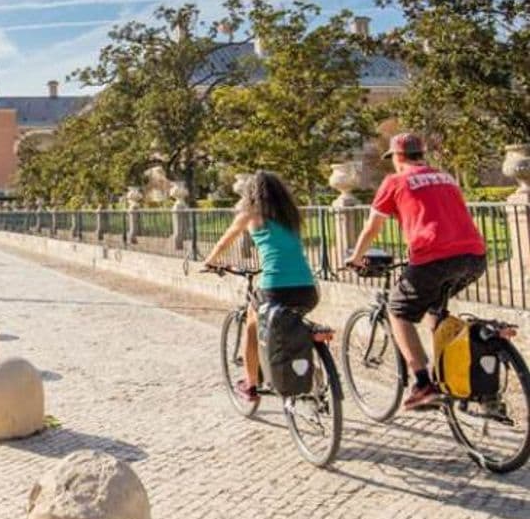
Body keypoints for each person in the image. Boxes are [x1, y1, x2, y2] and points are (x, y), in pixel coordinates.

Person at [347, 132, 487, 410]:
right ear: (421, 154)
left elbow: (372, 227)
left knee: (397, 311)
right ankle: (452, 373)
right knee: (435, 310)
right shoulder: (446, 177)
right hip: (474, 256)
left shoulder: (395, 181)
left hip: (432, 258)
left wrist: (355, 257)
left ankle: (423, 383)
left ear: (398, 157)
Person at [204, 171, 319, 402]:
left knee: (252, 328)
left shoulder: (250, 214)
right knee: (293, 323)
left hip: (275, 287)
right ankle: (316, 377)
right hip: (308, 288)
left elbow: (225, 240)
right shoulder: (291, 216)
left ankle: (251, 384)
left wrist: (210, 261)